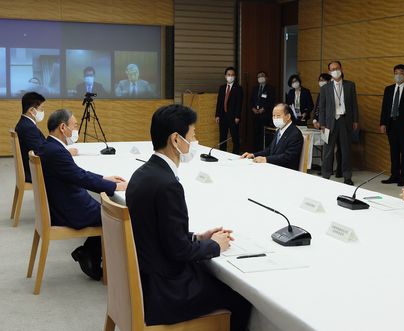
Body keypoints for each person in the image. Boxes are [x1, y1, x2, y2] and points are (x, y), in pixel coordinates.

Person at [126, 104, 251, 330]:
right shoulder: (167, 185)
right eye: (192, 136)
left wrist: (198, 237)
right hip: (164, 291)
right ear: (176, 139)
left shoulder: (142, 174)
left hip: (145, 279)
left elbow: (159, 231)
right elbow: (178, 251)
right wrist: (214, 246)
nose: (195, 142)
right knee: (241, 300)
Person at [37, 109, 127, 280]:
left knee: (107, 210)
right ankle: (92, 256)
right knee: (116, 215)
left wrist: (105, 178)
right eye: (75, 126)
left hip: (63, 203)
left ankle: (88, 253)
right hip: (69, 209)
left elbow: (77, 173)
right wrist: (114, 187)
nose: (76, 130)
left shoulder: (49, 146)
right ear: (63, 127)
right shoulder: (56, 152)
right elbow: (80, 178)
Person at [15, 92, 77, 183]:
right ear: (32, 111)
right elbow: (41, 153)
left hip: (31, 167)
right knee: (68, 170)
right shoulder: (28, 128)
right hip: (34, 171)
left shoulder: (24, 123)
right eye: (41, 109)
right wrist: (66, 153)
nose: (43, 112)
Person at [319, 61, 359, 185]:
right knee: (328, 150)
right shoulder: (325, 87)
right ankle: (326, 175)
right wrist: (322, 123)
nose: (335, 70)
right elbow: (322, 107)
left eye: (337, 68)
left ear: (341, 69)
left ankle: (347, 176)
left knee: (346, 150)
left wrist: (355, 120)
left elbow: (354, 104)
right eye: (332, 69)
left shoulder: (350, 85)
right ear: (330, 72)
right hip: (330, 122)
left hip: (345, 120)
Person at [380, 64, 404, 187]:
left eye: (401, 73)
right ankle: (394, 175)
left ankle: (403, 177)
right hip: (391, 124)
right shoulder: (388, 89)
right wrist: (382, 123)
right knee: (394, 151)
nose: (398, 75)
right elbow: (385, 108)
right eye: (396, 73)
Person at [241, 103, 303, 170]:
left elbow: (288, 156)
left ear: (288, 116)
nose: (275, 118)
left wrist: (266, 159)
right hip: (274, 166)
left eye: (278, 116)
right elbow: (270, 149)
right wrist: (253, 155)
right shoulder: (279, 130)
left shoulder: (295, 134)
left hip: (285, 170)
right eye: (273, 116)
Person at [313, 73, 342, 177]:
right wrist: (315, 120)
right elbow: (318, 108)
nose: (321, 82)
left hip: (336, 122)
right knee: (327, 149)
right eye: (319, 80)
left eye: (323, 80)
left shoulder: (333, 91)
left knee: (339, 149)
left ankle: (339, 170)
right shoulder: (322, 91)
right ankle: (326, 170)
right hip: (325, 124)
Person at [215, 66, 243, 154]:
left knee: (235, 137)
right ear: (225, 76)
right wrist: (217, 115)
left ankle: (236, 154)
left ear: (235, 77)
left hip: (233, 117)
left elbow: (239, 103)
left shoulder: (238, 88)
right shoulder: (222, 88)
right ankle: (222, 154)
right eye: (228, 74)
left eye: (232, 75)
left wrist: (237, 116)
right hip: (223, 116)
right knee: (222, 137)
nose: (230, 76)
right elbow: (219, 102)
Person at [250, 71, 275, 151]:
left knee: (264, 134)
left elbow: (271, 101)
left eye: (262, 76)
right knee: (255, 134)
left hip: (265, 115)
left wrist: (263, 109)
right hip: (255, 115)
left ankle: (263, 151)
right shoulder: (255, 88)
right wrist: (253, 108)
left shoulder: (270, 88)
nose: (260, 78)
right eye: (259, 76)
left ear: (266, 78)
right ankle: (255, 151)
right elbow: (251, 101)